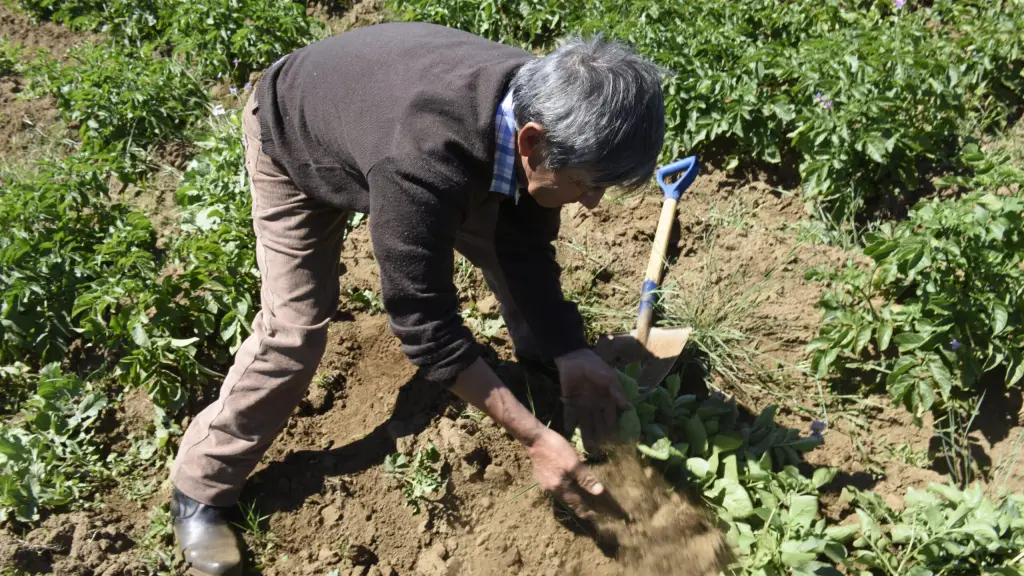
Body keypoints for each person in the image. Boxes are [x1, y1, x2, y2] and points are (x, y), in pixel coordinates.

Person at [169, 21, 666, 576]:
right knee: (295, 329)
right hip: (296, 134)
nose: (592, 203)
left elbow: (524, 246)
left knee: (508, 247)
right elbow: (424, 326)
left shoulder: (548, 102)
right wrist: (530, 437)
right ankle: (201, 488)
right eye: (587, 184)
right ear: (531, 142)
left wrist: (569, 350)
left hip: (380, 118)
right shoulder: (423, 161)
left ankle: (544, 368)